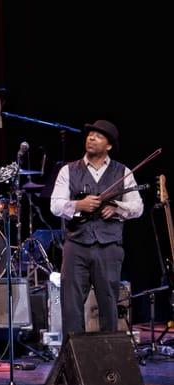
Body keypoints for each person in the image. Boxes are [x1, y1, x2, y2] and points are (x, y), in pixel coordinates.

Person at [50, 119, 143, 339]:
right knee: (71, 304)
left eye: (98, 136)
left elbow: (137, 207)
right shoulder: (68, 170)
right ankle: (73, 357)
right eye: (90, 134)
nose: (91, 138)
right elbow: (55, 204)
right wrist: (78, 205)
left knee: (109, 303)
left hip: (109, 246)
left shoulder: (123, 171)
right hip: (76, 245)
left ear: (109, 145)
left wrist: (117, 208)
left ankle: (108, 357)